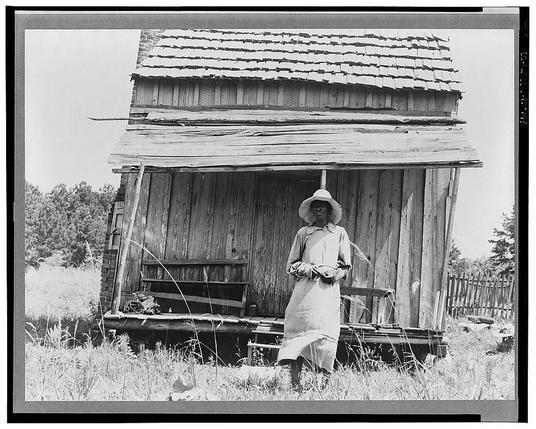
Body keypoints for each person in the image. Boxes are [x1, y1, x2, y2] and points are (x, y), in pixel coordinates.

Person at [277, 188, 352, 390]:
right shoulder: (303, 233)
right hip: (305, 293)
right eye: (315, 205)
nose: (319, 208)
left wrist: (334, 274)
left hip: (327, 293)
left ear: (329, 210)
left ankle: (323, 387)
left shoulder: (339, 233)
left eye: (323, 205)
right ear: (312, 209)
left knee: (326, 335)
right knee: (299, 336)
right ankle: (295, 384)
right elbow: (291, 265)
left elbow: (345, 266)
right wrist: (309, 269)